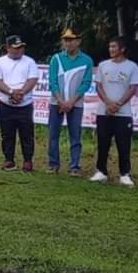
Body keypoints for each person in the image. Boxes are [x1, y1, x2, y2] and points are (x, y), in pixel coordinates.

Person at [89, 37, 138, 187]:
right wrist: (107, 103)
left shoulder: (132, 66)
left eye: (114, 46)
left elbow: (133, 88)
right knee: (103, 143)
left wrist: (118, 104)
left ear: (122, 49)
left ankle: (125, 174)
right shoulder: (103, 65)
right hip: (104, 111)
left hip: (123, 113)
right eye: (109, 47)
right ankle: (101, 172)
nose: (111, 49)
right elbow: (98, 86)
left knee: (123, 145)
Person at [47, 28, 94, 176]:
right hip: (56, 103)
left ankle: (74, 166)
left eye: (71, 40)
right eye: (66, 40)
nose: (68, 43)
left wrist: (71, 102)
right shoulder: (56, 58)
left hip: (76, 104)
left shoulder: (86, 60)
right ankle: (53, 164)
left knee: (75, 135)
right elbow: (52, 81)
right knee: (53, 134)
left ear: (78, 41)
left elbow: (86, 83)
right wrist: (61, 101)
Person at [0, 36, 39, 172]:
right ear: (7, 48)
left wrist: (21, 93)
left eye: (21, 47)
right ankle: (9, 160)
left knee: (27, 134)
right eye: (15, 47)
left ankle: (28, 160)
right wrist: (11, 92)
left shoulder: (30, 62)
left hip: (25, 104)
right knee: (7, 134)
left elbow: (33, 79)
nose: (19, 50)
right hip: (6, 103)